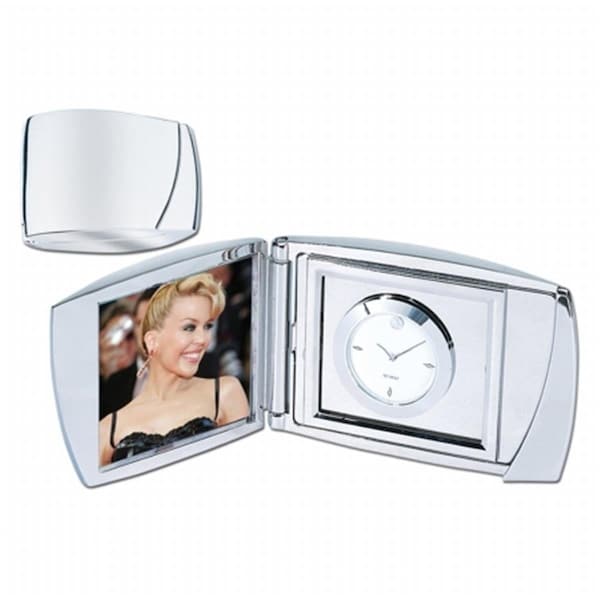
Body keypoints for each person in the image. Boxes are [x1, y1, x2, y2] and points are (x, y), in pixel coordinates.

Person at [98, 273, 250, 466]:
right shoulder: (107, 430)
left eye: (207, 326)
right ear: (152, 341)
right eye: (189, 327)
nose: (203, 339)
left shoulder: (225, 393)